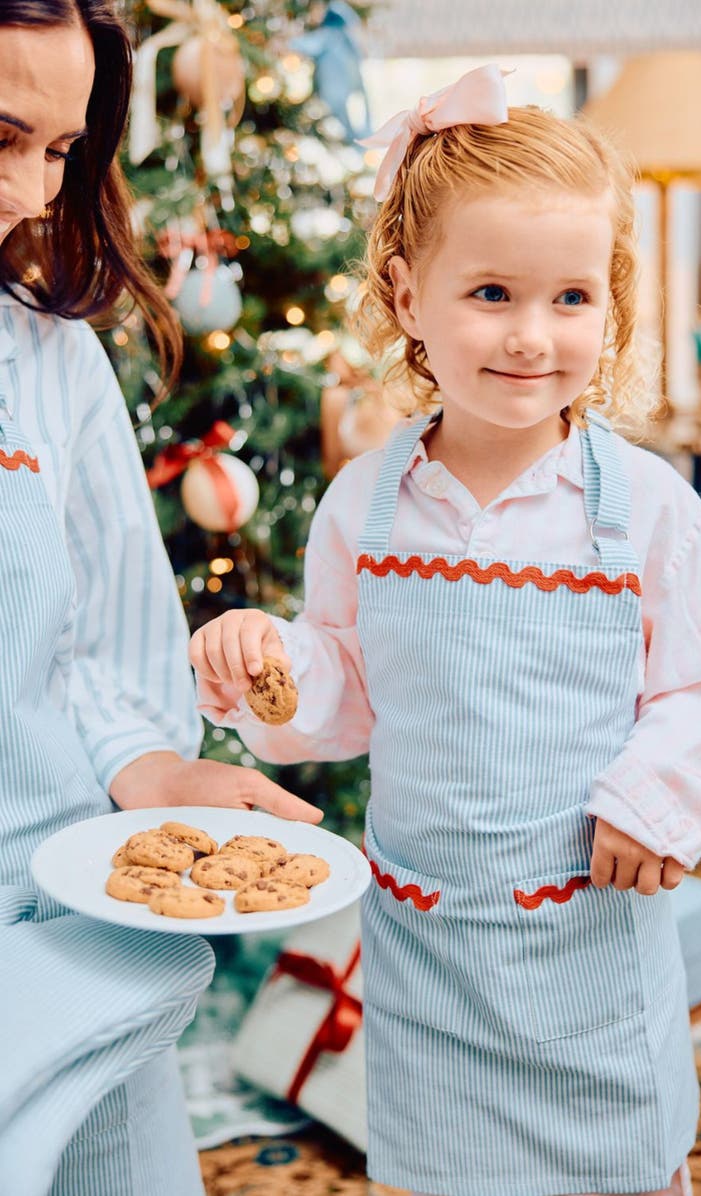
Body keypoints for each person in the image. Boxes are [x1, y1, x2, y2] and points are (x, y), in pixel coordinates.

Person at [189, 65, 701, 1196]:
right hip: (430, 949)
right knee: (441, 1169)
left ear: (610, 303)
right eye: (493, 293)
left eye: (571, 299)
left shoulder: (647, 509)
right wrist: (269, 663)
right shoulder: (364, 502)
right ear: (409, 296)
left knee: (628, 1167)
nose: (532, 336)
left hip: (587, 941)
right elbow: (349, 685)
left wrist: (653, 796)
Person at [0, 3, 321, 1194]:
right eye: (0, 137)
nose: (35, 193)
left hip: (55, 927)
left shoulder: (47, 360)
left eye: (60, 151)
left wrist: (152, 768)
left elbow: (93, 644)